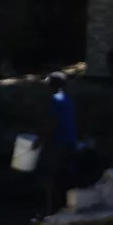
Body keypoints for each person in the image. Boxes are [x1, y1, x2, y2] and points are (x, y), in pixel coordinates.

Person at [35, 72, 79, 213]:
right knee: (65, 176)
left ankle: (50, 211)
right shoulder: (68, 100)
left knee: (49, 175)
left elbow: (53, 123)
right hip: (70, 142)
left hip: (58, 142)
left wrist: (40, 140)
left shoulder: (55, 100)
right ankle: (65, 207)